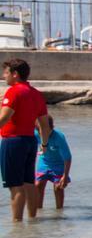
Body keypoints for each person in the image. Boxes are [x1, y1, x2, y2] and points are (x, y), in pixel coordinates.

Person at [0, 58, 51, 221]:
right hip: (30, 141)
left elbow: (4, 118)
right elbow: (45, 125)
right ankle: (33, 221)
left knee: (15, 185)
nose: (3, 76)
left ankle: (17, 225)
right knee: (28, 182)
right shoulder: (36, 94)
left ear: (15, 74)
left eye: (6, 72)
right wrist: (44, 144)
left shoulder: (14, 91)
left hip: (13, 142)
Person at [35, 115, 72, 209]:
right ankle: (39, 212)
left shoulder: (59, 137)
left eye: (47, 131)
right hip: (44, 161)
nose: (44, 135)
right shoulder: (35, 134)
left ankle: (59, 213)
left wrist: (65, 175)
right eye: (41, 132)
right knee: (38, 185)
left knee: (58, 187)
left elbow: (67, 157)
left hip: (59, 163)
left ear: (52, 128)